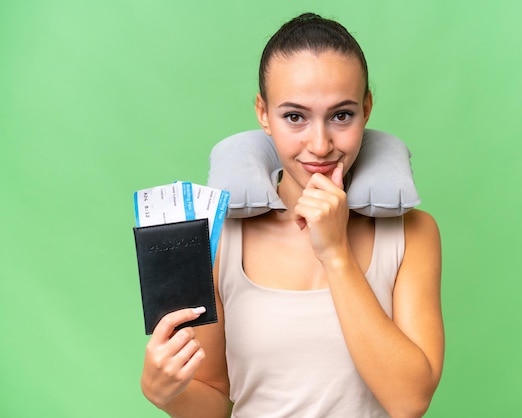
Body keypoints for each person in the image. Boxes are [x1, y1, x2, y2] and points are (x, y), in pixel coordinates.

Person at [140, 12, 444, 418]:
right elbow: (214, 397)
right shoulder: (218, 237)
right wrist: (167, 393)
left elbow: (410, 401)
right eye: (295, 116)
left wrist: (335, 252)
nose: (319, 145)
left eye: (341, 115)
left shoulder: (412, 233)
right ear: (264, 113)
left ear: (367, 109)